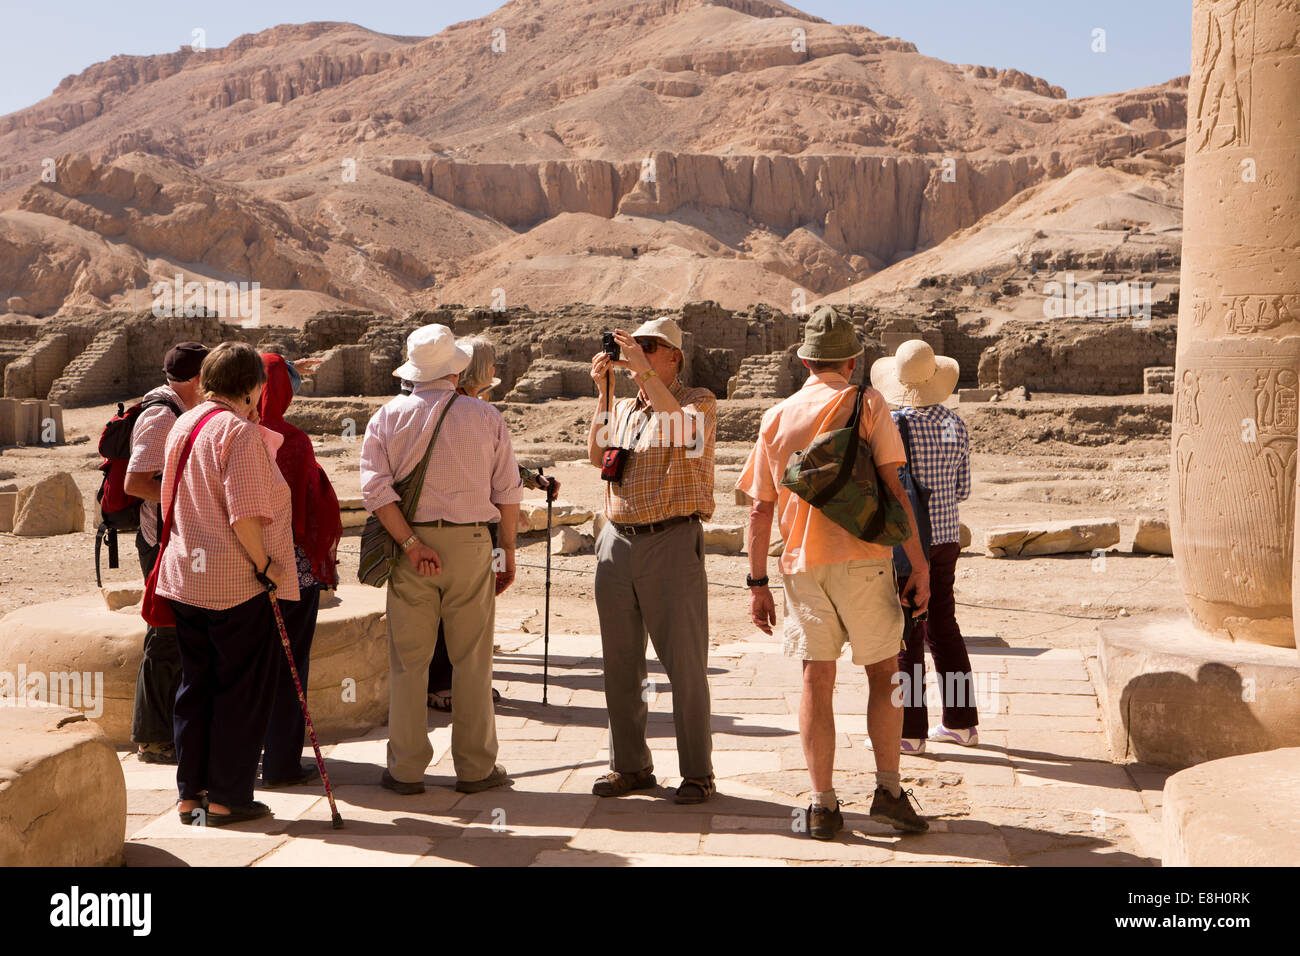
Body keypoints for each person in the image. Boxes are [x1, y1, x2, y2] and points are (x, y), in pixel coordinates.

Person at [736, 306, 931, 841]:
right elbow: (896, 490)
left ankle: (822, 805)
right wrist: (918, 564)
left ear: (803, 361)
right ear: (853, 359)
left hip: (802, 567)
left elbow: (759, 510)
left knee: (815, 681)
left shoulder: (775, 418)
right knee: (883, 674)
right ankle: (889, 792)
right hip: (865, 560)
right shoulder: (868, 403)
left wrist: (757, 584)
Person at [361, 324, 522, 795]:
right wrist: (506, 552)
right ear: (456, 368)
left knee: (409, 662)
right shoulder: (485, 416)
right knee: (472, 661)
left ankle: (406, 769)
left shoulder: (386, 417)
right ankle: (475, 769)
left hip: (410, 547)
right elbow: (507, 491)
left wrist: (411, 544)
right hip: (471, 545)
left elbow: (374, 490)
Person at [155, 341, 297, 827]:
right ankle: (228, 797)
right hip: (234, 583)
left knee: (196, 686)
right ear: (254, 386)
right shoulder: (238, 433)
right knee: (240, 691)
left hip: (186, 579)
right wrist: (267, 567)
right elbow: (245, 515)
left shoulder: (184, 422)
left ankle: (189, 794)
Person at [586, 317, 717, 805]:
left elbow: (683, 432)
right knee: (620, 664)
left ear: (673, 357)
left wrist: (642, 375)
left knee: (684, 664)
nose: (637, 352)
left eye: (648, 347)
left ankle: (698, 773)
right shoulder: (624, 406)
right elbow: (596, 453)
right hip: (617, 540)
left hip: (671, 542)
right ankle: (631, 766)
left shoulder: (697, 400)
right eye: (633, 346)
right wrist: (605, 391)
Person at [425, 336, 558, 712]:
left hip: (469, 525)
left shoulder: (476, 408)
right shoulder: (463, 409)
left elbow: (498, 467)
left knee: (468, 610)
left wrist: (532, 479)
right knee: (453, 610)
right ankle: (444, 684)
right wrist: (508, 549)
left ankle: (463, 683)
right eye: (491, 363)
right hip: (465, 525)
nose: (496, 370)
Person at [871, 340, 978, 753]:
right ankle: (962, 722)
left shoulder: (893, 423)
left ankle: (909, 732)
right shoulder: (955, 424)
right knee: (944, 628)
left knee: (906, 635)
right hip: (947, 535)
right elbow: (963, 489)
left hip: (905, 541)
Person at [256, 352, 343, 788]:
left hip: (240, 570)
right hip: (291, 571)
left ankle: (242, 759)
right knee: (292, 665)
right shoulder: (291, 440)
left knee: (250, 666)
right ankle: (282, 763)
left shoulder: (230, 431)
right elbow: (312, 507)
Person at [124, 342, 209, 764]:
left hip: (177, 540)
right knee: (164, 637)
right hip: (159, 542)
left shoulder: (184, 409)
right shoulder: (161, 415)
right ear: (197, 379)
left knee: (179, 636)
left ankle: (172, 729)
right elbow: (135, 482)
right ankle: (152, 737)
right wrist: (189, 493)